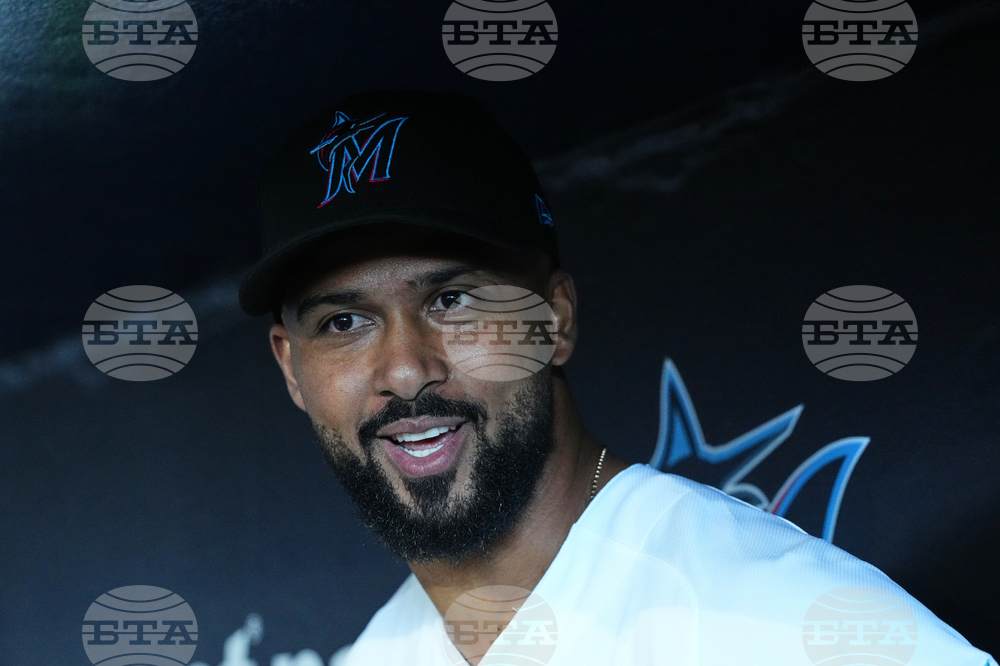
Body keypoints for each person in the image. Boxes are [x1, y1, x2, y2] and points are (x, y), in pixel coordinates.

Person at [239, 90, 995, 666]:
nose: (405, 368)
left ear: (556, 319)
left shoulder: (787, 622)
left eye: (454, 299)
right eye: (343, 322)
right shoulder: (378, 657)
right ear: (291, 369)